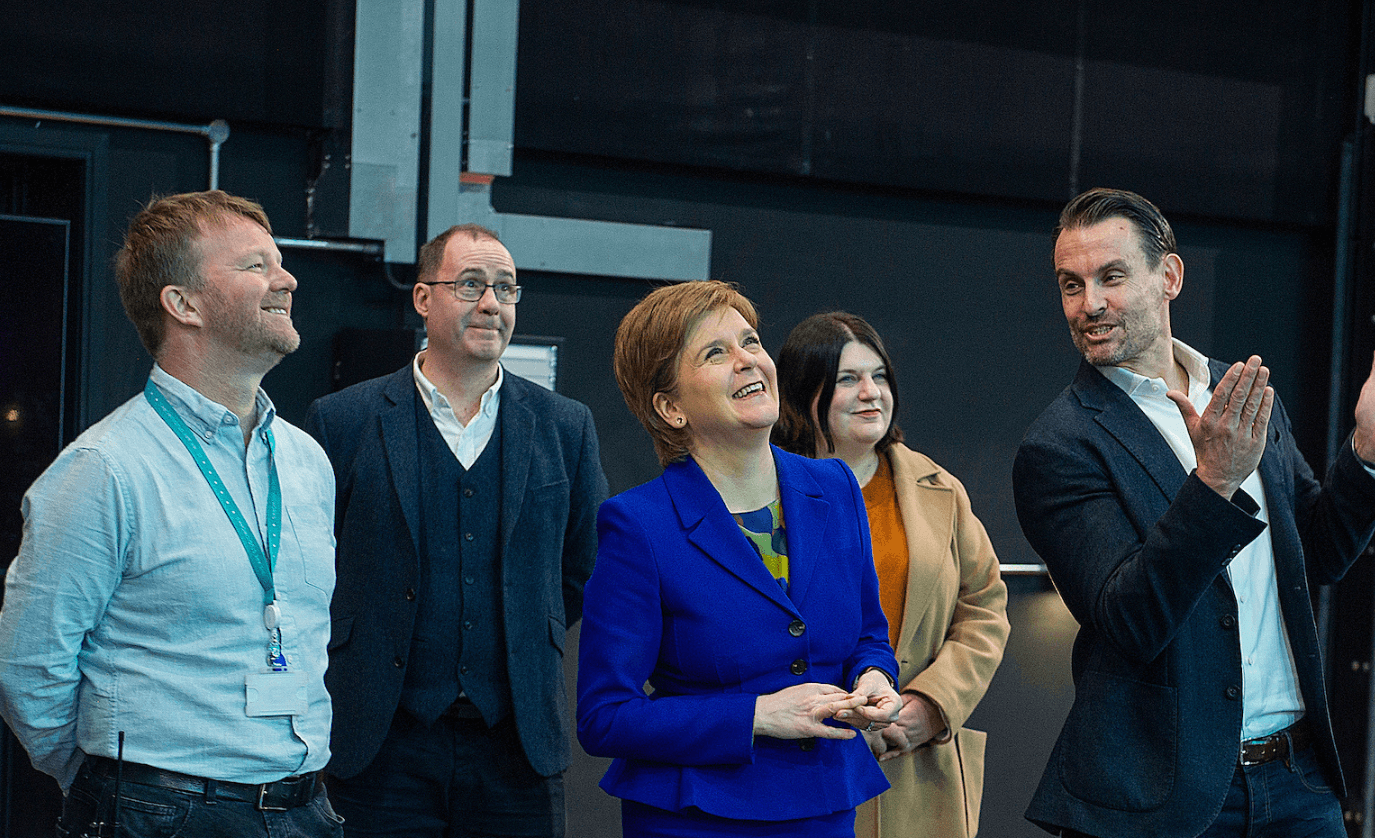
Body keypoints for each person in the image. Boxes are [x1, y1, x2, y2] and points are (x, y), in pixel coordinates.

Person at [1013, 188, 1375, 838]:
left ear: (1169, 276)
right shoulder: (1058, 446)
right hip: (1163, 796)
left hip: (1298, 782)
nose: (1090, 305)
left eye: (1111, 277)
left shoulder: (1244, 396)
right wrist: (1214, 481)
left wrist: (1366, 454)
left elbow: (1318, 556)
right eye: (1070, 285)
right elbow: (1132, 619)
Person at [0, 190, 341, 837]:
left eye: (281, 262)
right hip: (159, 814)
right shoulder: (104, 468)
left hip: (305, 809)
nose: (286, 279)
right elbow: (26, 668)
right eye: (255, 266)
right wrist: (110, 782)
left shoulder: (308, 463)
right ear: (182, 304)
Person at [303, 224, 608, 838]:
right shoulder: (343, 420)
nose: (491, 303)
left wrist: (524, 628)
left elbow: (583, 568)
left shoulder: (565, 426)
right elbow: (310, 567)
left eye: (506, 289)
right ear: (422, 299)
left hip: (516, 745)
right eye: (471, 285)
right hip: (378, 742)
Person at [577, 281, 902, 838]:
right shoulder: (638, 524)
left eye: (750, 341)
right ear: (670, 407)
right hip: (699, 815)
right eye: (715, 353)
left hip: (825, 805)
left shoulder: (836, 486)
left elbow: (868, 636)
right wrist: (758, 715)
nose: (748, 360)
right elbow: (605, 717)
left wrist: (875, 676)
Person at [772, 311, 1009, 838]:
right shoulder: (762, 489)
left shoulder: (939, 488)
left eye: (879, 376)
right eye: (848, 379)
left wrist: (933, 704)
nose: (871, 393)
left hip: (917, 764)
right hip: (801, 761)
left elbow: (985, 608)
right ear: (802, 392)